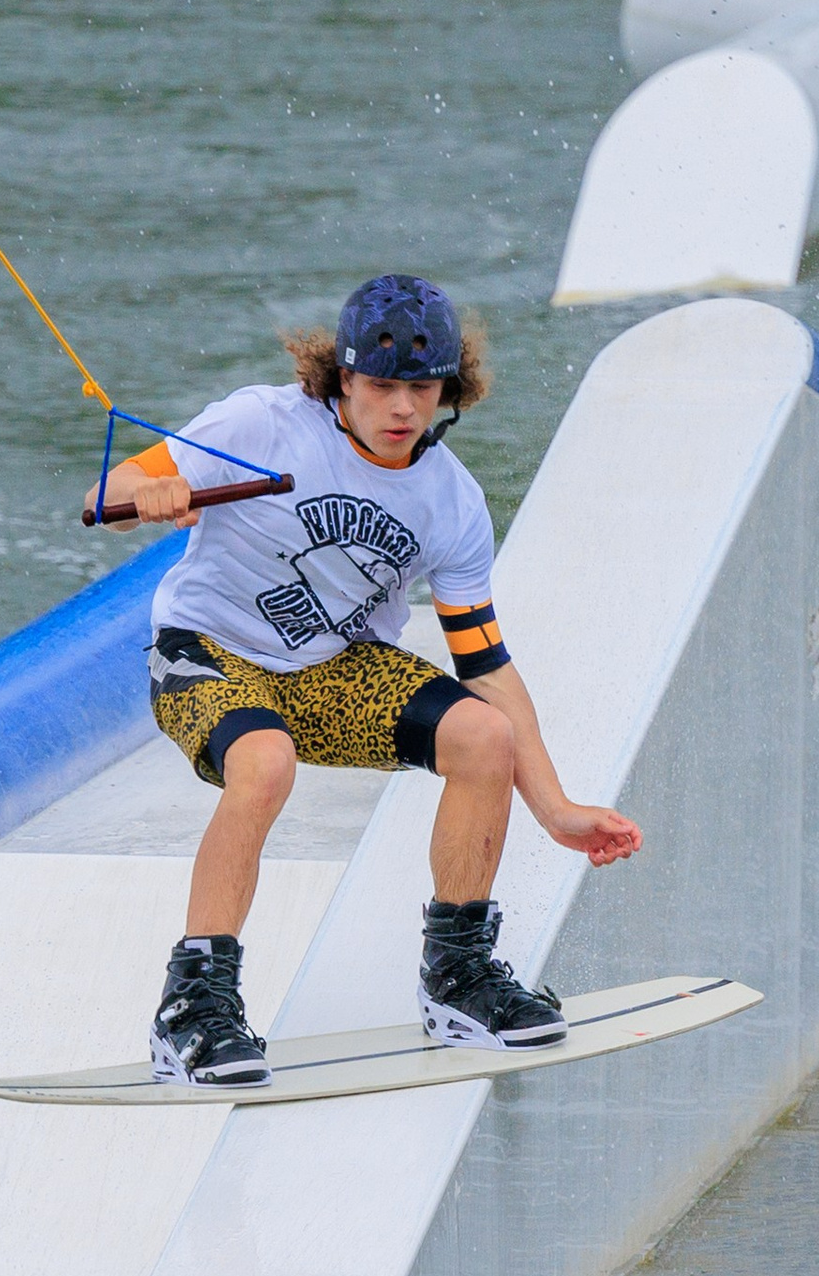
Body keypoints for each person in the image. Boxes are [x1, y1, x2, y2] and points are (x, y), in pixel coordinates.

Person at [111, 274, 642, 1088]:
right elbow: (103, 493)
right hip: (207, 649)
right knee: (264, 762)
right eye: (383, 386)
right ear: (343, 381)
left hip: (332, 673)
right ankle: (193, 1013)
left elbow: (487, 664)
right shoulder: (259, 423)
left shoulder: (452, 503)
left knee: (482, 735)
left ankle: (458, 981)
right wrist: (147, 490)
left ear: (449, 391)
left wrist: (556, 807)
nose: (402, 408)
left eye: (422, 388)